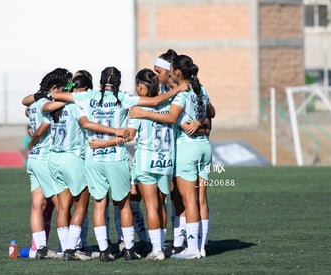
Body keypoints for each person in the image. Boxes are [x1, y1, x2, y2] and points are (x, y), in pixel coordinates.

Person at [50, 66, 187, 262]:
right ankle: (129, 248)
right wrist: (176, 90)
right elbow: (156, 101)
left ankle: (105, 250)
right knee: (123, 205)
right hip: (116, 158)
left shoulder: (89, 96)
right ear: (119, 83)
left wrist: (71, 83)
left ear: (100, 81)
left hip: (94, 158)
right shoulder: (123, 98)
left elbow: (57, 94)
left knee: (99, 204)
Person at [130, 55, 213, 259]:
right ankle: (200, 246)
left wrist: (143, 114)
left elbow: (172, 118)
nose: (158, 75)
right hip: (205, 148)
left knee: (188, 201)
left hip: (186, 149)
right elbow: (211, 111)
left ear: (175, 72)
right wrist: (200, 121)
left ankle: (191, 249)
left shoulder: (180, 94)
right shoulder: (200, 89)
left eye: (160, 71)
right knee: (199, 199)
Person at [41, 72, 129, 261]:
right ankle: (72, 249)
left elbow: (42, 107)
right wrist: (116, 132)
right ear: (85, 90)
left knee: (63, 207)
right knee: (81, 206)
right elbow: (87, 124)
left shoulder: (55, 107)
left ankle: (64, 248)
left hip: (54, 159)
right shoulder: (77, 105)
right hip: (73, 158)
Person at [128, 68, 177, 260]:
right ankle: (162, 245)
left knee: (151, 206)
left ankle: (156, 249)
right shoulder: (168, 103)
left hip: (146, 162)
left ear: (141, 86)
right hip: (166, 161)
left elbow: (130, 135)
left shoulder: (138, 108)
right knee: (162, 205)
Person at [25, 68, 72, 259]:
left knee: (38, 205)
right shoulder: (46, 104)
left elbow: (26, 105)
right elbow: (45, 123)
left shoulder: (35, 102)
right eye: (65, 87)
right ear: (54, 88)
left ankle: (39, 249)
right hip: (44, 159)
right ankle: (68, 247)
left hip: (33, 160)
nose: (67, 91)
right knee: (61, 204)